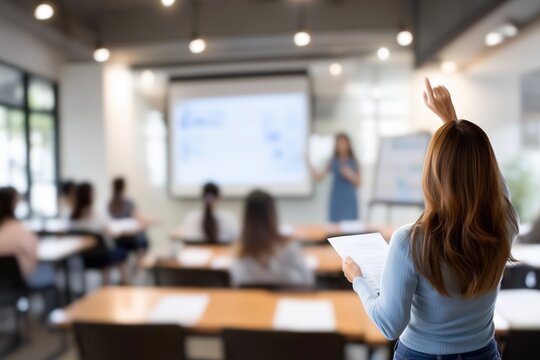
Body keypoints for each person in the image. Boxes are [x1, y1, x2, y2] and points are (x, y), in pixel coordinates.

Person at [341, 79, 518, 360]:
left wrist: (358, 280)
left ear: (432, 174)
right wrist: (452, 121)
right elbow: (496, 189)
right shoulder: (504, 225)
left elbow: (389, 325)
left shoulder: (410, 241)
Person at [230, 190, 314, 288]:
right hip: (287, 299)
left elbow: (235, 282)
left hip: (249, 302)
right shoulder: (289, 247)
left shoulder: (239, 251)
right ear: (272, 214)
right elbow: (308, 280)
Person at [0, 187, 57, 309]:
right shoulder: (18, 229)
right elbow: (34, 255)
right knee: (49, 270)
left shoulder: (7, 228)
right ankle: (50, 315)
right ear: (13, 203)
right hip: (22, 279)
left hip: (4, 282)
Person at [70, 182, 129, 285]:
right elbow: (112, 232)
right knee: (122, 252)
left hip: (84, 258)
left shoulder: (72, 218)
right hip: (103, 257)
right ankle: (123, 282)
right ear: (90, 195)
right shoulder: (96, 216)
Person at [310, 133, 361, 223]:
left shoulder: (354, 161)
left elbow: (358, 183)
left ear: (348, 144)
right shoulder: (333, 161)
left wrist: (350, 175)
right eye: (339, 143)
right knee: (334, 226)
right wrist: (309, 164)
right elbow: (319, 177)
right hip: (337, 198)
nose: (341, 146)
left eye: (343, 143)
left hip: (349, 198)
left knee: (350, 225)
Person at [108, 177, 149, 252]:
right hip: (132, 238)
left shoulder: (110, 204)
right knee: (142, 238)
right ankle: (141, 260)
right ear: (124, 187)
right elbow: (140, 219)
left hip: (118, 240)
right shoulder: (128, 203)